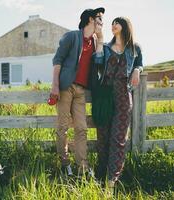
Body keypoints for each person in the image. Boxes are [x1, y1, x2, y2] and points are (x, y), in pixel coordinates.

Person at [51, 7, 105, 177]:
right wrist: (55, 85)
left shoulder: (95, 42)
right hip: (66, 87)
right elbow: (57, 60)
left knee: (81, 128)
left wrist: (101, 39)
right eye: (99, 18)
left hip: (81, 90)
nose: (102, 23)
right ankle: (65, 164)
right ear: (90, 19)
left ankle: (82, 166)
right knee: (62, 127)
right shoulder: (72, 36)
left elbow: (99, 63)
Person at [93, 17, 143, 188]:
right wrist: (99, 41)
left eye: (117, 22)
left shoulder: (134, 48)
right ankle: (100, 174)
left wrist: (137, 69)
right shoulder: (106, 47)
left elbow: (140, 63)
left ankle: (112, 179)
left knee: (118, 138)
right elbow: (97, 63)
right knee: (103, 137)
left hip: (123, 95)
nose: (113, 25)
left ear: (125, 26)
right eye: (112, 23)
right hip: (105, 96)